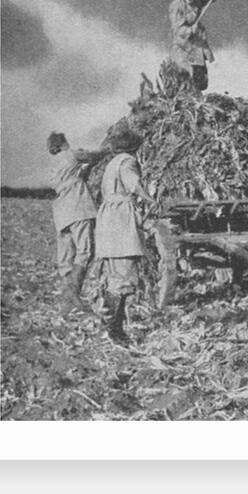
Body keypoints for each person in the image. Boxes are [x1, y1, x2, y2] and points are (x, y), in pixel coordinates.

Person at [95, 128, 157, 346]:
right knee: (125, 275)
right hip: (120, 219)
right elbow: (134, 185)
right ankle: (115, 330)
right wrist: (150, 200)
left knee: (115, 274)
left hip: (108, 217)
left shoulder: (111, 164)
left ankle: (110, 325)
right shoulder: (128, 162)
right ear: (133, 147)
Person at [47, 132, 108, 314]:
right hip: (77, 206)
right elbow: (95, 155)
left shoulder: (53, 164)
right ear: (64, 142)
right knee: (85, 251)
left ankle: (66, 301)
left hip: (61, 210)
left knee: (65, 256)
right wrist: (109, 149)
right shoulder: (72, 155)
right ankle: (73, 296)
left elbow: (73, 174)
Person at [169, 0, 229, 93]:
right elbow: (177, 28)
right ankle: (185, 96)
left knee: (201, 78)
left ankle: (198, 95)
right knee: (185, 73)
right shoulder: (176, 7)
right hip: (182, 44)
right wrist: (189, 30)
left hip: (196, 42)